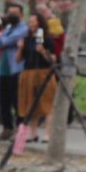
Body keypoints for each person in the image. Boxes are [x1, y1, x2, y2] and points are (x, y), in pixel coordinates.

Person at [15, 13, 56, 143]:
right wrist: (20, 48)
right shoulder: (26, 39)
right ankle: (33, 134)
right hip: (28, 73)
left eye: (33, 21)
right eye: (30, 22)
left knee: (47, 103)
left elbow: (53, 59)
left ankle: (48, 134)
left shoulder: (47, 39)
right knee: (30, 104)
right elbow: (18, 59)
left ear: (40, 23)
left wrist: (43, 51)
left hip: (44, 72)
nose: (30, 24)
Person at [0, 2, 29, 140]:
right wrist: (4, 40)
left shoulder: (24, 29)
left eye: (15, 13)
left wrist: (4, 40)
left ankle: (20, 131)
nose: (11, 16)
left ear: (21, 14)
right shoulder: (8, 28)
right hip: (4, 69)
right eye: (10, 13)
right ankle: (7, 128)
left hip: (17, 69)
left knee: (17, 101)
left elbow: (5, 41)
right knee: (4, 101)